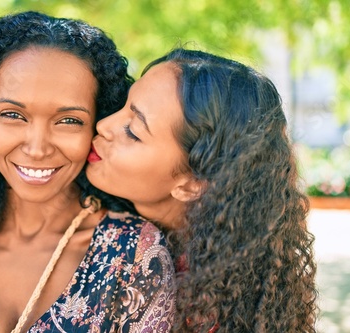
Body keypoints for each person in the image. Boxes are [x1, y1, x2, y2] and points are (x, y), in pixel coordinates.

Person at [0, 11, 176, 333]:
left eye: (68, 120)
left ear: (97, 122)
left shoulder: (133, 255)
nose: (38, 148)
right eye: (13, 114)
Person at [86, 48, 318, 332]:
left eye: (133, 131)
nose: (103, 125)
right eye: (123, 105)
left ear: (192, 184)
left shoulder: (202, 308)